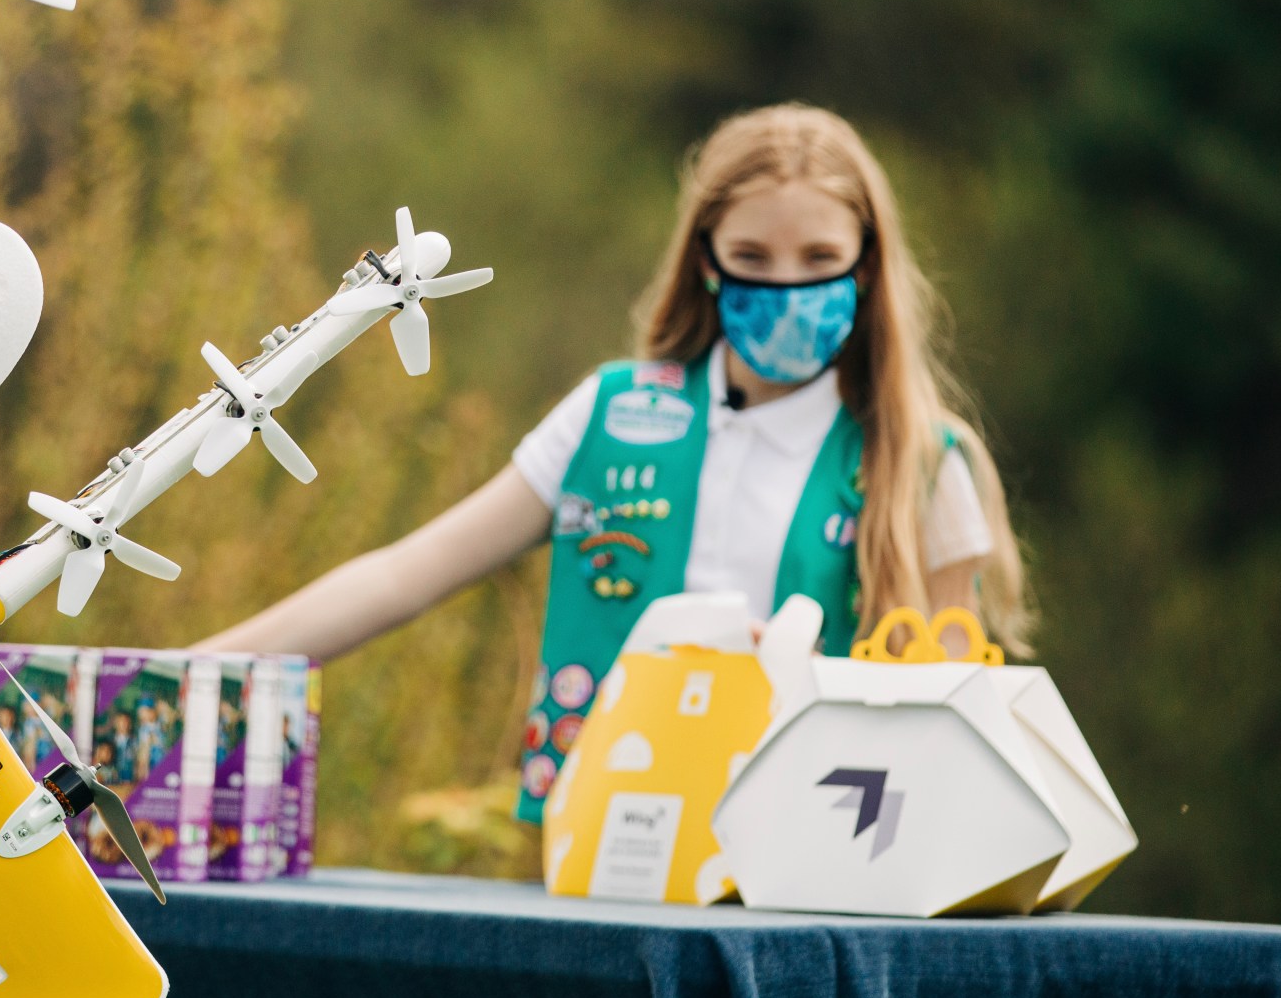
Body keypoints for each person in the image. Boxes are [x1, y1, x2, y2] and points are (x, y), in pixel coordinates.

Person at [198, 104, 1029, 820]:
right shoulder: (612, 414)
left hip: (812, 872)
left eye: (818, 261)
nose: (786, 286)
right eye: (752, 258)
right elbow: (403, 577)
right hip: (608, 853)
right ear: (706, 260)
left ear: (867, 263)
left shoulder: (923, 463)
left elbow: (949, 725)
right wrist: (179, 676)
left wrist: (796, 672)